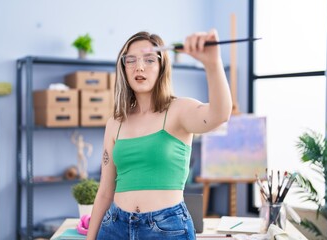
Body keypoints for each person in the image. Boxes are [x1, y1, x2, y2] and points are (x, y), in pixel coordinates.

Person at [86, 29, 232, 240]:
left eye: (149, 60)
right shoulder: (115, 122)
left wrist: (212, 64)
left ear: (162, 66)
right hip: (115, 227)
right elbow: (105, 192)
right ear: (123, 67)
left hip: (167, 229)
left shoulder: (179, 110)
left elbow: (220, 114)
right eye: (131, 60)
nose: (140, 66)